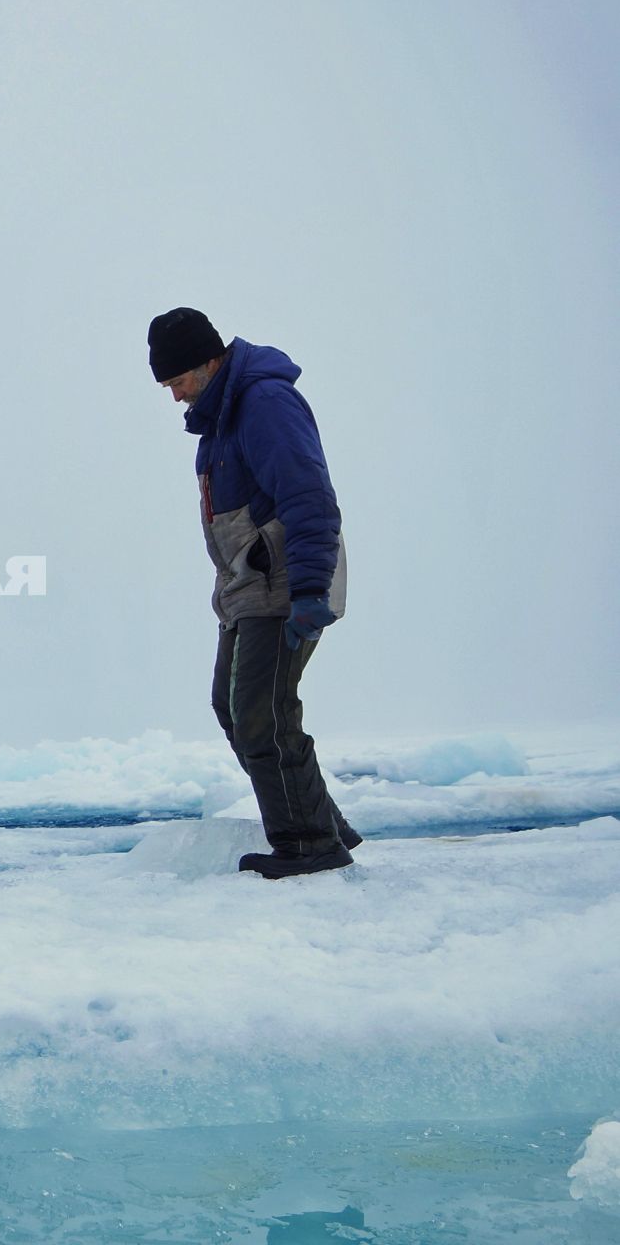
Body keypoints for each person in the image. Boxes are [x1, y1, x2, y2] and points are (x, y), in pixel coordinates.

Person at [147, 308, 361, 879]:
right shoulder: (218, 418)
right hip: (246, 588)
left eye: (178, 382)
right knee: (233, 706)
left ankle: (308, 843)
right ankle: (322, 825)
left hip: (285, 583)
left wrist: (311, 589)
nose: (174, 397)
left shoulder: (263, 402)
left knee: (261, 714)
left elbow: (308, 493)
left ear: (209, 361)